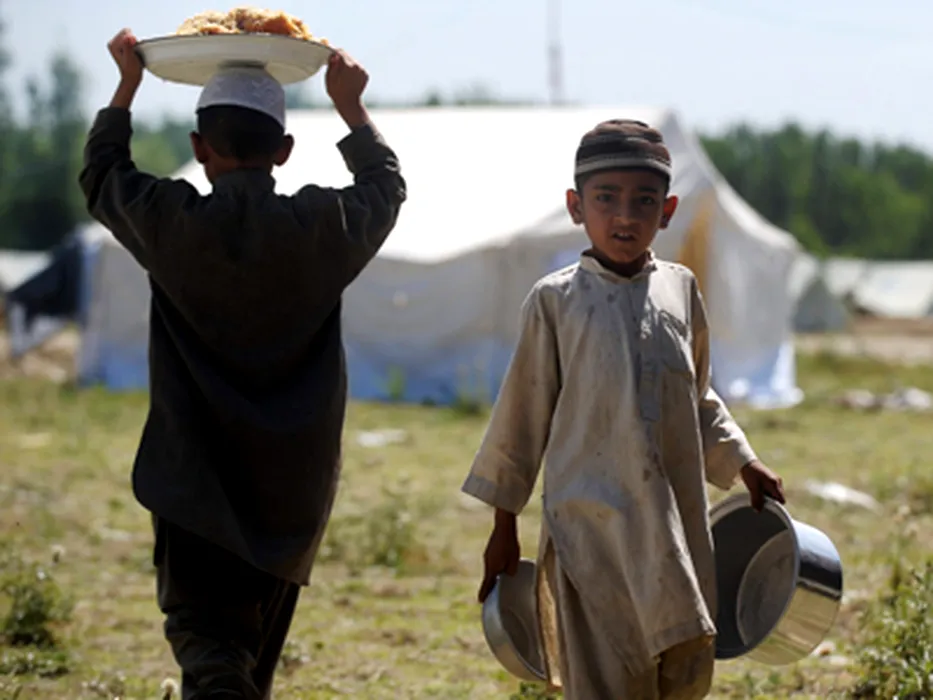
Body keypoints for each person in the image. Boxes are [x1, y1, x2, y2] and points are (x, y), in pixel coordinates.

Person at [79, 28, 406, 700]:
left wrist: (126, 86)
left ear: (199, 148)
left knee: (211, 650)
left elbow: (102, 176)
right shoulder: (321, 225)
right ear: (284, 150)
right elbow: (385, 189)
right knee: (247, 659)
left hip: (192, 478)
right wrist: (350, 107)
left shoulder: (171, 221)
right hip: (291, 488)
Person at [461, 119, 786, 699]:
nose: (625, 217)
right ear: (575, 207)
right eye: (605, 199)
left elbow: (697, 395)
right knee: (606, 671)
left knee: (682, 666)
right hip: (590, 530)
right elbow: (520, 418)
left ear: (668, 210)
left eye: (644, 201)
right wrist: (503, 528)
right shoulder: (555, 301)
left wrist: (743, 462)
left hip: (673, 526)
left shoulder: (680, 291)